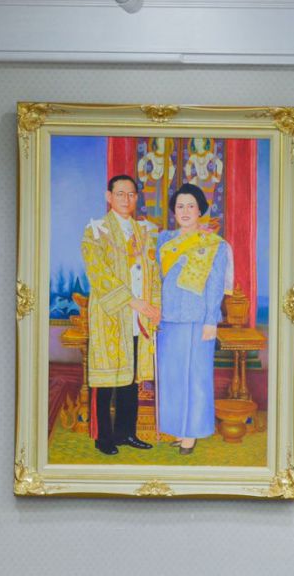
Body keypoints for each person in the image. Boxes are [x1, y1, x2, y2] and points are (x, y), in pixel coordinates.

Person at [80, 173, 161, 455]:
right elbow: (98, 274)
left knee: (131, 379)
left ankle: (127, 433)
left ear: (136, 198)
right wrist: (131, 301)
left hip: (139, 319)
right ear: (109, 196)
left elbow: (154, 273)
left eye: (131, 194)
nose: (126, 199)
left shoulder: (145, 232)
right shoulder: (96, 231)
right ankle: (104, 437)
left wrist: (154, 307)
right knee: (106, 381)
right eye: (120, 193)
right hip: (111, 315)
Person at [156, 183, 232, 455]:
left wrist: (211, 320)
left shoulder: (214, 245)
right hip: (167, 318)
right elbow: (154, 278)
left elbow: (215, 285)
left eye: (191, 206)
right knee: (171, 376)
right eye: (180, 206)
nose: (185, 211)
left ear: (200, 210)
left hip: (198, 319)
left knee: (195, 376)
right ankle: (177, 428)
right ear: (173, 211)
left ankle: (192, 432)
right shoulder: (163, 240)